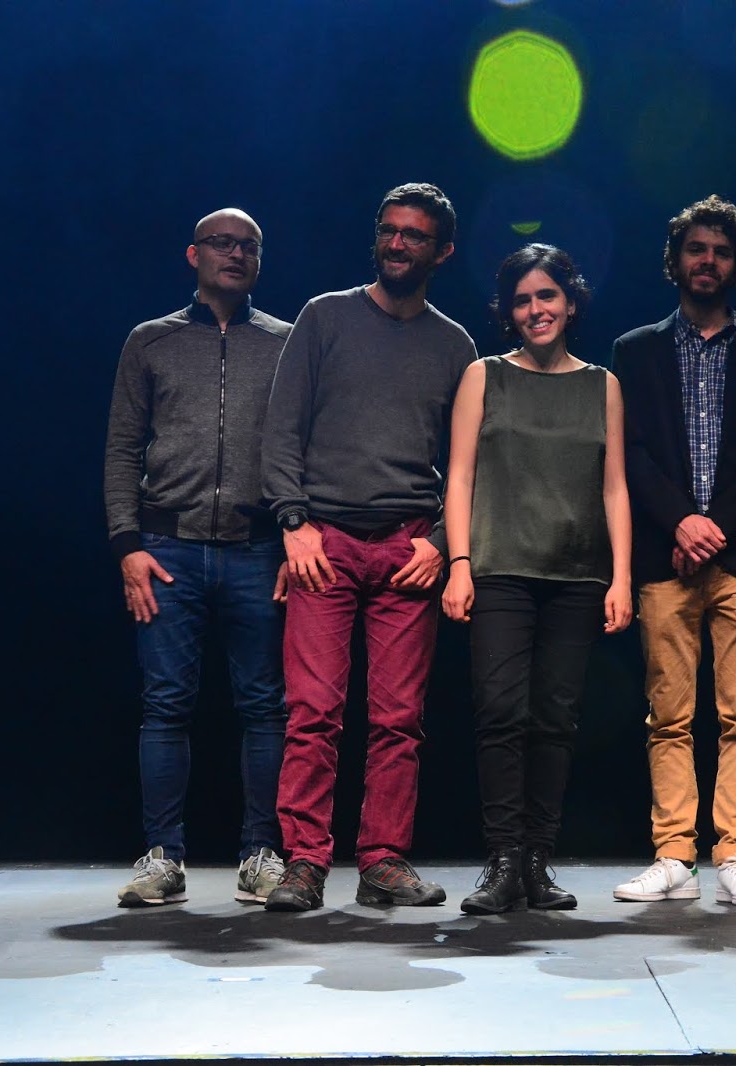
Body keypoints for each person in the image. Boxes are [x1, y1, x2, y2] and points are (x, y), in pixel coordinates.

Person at [259, 183, 477, 912]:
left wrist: (441, 542)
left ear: (442, 251)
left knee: (399, 720)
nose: (397, 243)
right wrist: (293, 523)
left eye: (414, 235)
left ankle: (383, 860)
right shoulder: (325, 317)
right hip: (324, 542)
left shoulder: (455, 346)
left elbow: (470, 461)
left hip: (407, 550)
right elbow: (281, 430)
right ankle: (304, 863)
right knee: (312, 712)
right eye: (388, 230)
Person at [610, 196, 736, 907]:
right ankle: (673, 857)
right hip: (666, 556)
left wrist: (711, 526)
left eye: (721, 252)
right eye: (696, 249)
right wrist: (681, 523)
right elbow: (630, 452)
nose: (708, 261)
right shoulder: (635, 350)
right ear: (675, 260)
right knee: (669, 715)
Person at [102, 208, 292, 907]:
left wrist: (293, 536)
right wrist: (127, 546)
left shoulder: (287, 342)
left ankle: (261, 853)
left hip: (258, 548)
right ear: (194, 255)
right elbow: (122, 448)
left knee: (266, 706)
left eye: (249, 246)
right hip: (166, 549)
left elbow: (302, 449)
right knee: (165, 705)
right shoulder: (150, 340)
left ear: (260, 260)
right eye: (222, 243)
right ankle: (163, 857)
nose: (235, 254)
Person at [441, 244, 634, 915]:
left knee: (555, 720)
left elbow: (614, 487)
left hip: (577, 576)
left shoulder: (602, 385)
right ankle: (501, 860)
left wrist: (621, 578)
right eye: (522, 300)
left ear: (570, 303)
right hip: (499, 570)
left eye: (546, 296)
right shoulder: (484, 375)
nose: (535, 310)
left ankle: (535, 861)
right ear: (509, 312)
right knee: (500, 714)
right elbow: (459, 476)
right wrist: (459, 564)